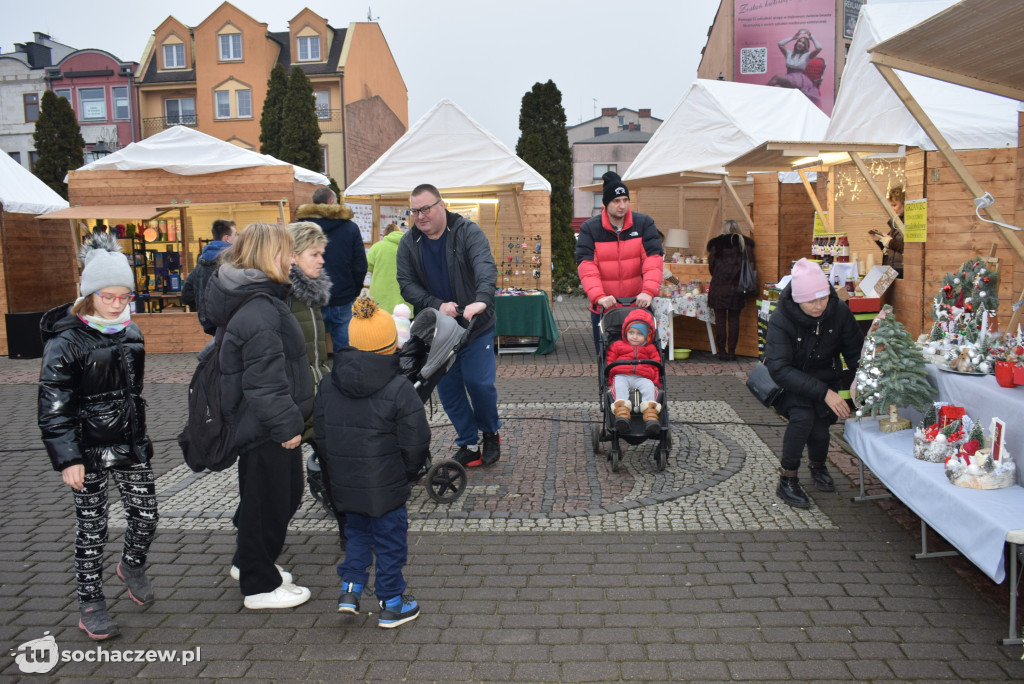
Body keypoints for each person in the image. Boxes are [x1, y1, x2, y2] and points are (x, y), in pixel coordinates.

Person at [38, 233, 158, 641]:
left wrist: (136, 430)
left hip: (129, 444)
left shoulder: (133, 333)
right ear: (89, 294)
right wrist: (67, 457)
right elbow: (54, 405)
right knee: (93, 528)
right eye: (109, 296)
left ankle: (132, 564)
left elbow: (132, 392)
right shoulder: (65, 341)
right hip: (86, 451)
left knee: (147, 515)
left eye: (125, 297)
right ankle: (91, 604)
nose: (117, 304)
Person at [203, 222, 314, 610]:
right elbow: (265, 381)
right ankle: (258, 584)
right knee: (270, 501)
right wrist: (286, 425)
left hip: (259, 422)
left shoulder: (259, 300)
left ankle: (249, 563)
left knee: (267, 498)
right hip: (266, 424)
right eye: (287, 251)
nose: (292, 259)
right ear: (270, 255)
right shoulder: (260, 310)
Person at [314, 296, 430, 628]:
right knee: (390, 540)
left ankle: (350, 589)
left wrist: (333, 470)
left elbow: (321, 434)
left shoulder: (328, 384)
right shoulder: (399, 388)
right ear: (391, 345)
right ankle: (392, 602)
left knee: (358, 533)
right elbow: (416, 439)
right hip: (387, 485)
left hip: (345, 482)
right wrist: (406, 472)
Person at [396, 183, 501, 468]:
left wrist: (480, 300)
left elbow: (484, 266)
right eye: (414, 211)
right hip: (439, 331)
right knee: (449, 391)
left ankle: (490, 432)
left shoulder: (467, 232)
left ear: (442, 206)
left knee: (478, 383)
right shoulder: (409, 243)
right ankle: (468, 443)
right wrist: (435, 303)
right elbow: (406, 284)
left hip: (474, 326)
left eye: (426, 208)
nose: (420, 216)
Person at [764, 259, 863, 509]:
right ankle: (787, 479)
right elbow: (779, 367)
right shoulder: (782, 318)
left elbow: (854, 351)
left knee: (820, 429)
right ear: (798, 300)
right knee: (802, 419)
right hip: (790, 381)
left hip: (825, 377)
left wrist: (862, 380)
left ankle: (818, 466)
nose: (819, 306)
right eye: (811, 301)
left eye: (824, 298)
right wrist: (825, 394)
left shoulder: (838, 310)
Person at [576, 170, 664, 354]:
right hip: (606, 308)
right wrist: (599, 296)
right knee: (608, 358)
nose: (622, 205)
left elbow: (653, 261)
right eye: (616, 201)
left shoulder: (644, 224)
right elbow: (587, 266)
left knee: (642, 357)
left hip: (637, 305)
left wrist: (648, 292)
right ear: (605, 203)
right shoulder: (590, 229)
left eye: (625, 200)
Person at [295, 187, 367, 350]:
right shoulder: (350, 228)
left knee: (311, 347)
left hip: (309, 296)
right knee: (345, 349)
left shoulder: (299, 227)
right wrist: (353, 290)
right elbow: (360, 265)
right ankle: (343, 374)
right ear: (331, 202)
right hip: (342, 295)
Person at [606, 308, 662, 437]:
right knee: (619, 385)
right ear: (626, 332)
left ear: (647, 336)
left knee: (649, 387)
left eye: (639, 334)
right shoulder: (617, 346)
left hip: (642, 377)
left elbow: (656, 366)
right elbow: (609, 361)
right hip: (622, 374)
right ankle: (622, 414)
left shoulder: (650, 348)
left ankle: (650, 415)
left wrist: (656, 382)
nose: (634, 336)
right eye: (631, 332)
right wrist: (608, 380)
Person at [707, 219, 755, 361]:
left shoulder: (716, 244)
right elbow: (751, 265)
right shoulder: (744, 244)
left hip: (719, 287)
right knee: (734, 319)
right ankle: (732, 352)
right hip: (737, 287)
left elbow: (711, 266)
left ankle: (722, 351)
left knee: (720, 319)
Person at [181, 219, 237, 334]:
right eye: (235, 235)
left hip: (207, 320)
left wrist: (203, 303)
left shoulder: (201, 262)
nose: (236, 238)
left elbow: (186, 294)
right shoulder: (231, 260)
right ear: (226, 238)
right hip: (229, 319)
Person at [766, 29, 824, 107]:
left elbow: (819, 48)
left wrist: (811, 36)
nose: (800, 44)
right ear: (796, 43)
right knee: (777, 87)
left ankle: (761, 93)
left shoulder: (807, 56)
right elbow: (780, 44)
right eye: (799, 41)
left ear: (805, 47)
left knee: (777, 78)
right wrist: (793, 38)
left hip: (799, 80)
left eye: (803, 43)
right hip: (789, 77)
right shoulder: (789, 53)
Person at [367, 222, 412, 316]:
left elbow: (366, 266)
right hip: (404, 300)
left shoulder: (377, 247)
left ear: (385, 235)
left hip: (380, 300)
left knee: (381, 329)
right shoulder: (409, 247)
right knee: (401, 329)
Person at [869, 187, 905, 278]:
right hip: (891, 269)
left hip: (902, 271)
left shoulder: (908, 224)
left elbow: (910, 249)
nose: (892, 209)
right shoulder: (896, 224)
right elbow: (890, 250)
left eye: (894, 205)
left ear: (905, 204)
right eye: (890, 206)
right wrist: (879, 240)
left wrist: (889, 241)